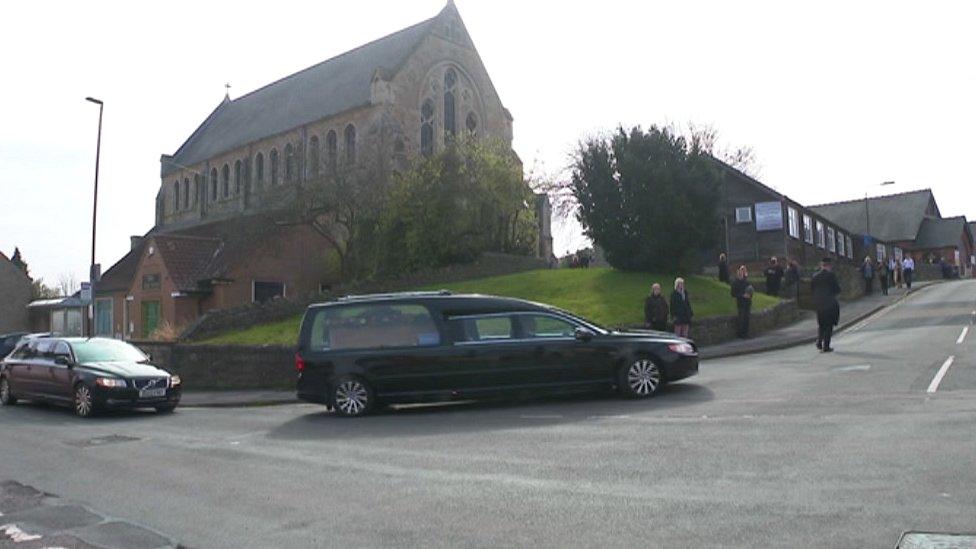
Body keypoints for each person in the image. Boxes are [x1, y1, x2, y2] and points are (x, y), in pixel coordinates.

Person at [811, 257, 841, 353]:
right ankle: (826, 346)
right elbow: (836, 289)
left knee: (821, 324)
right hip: (830, 303)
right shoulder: (831, 276)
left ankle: (819, 341)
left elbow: (812, 289)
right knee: (829, 325)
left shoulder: (815, 276)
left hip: (819, 304)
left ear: (821, 265)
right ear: (829, 266)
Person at [730, 265, 754, 339]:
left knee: (747, 318)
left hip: (747, 302)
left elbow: (750, 290)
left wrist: (749, 295)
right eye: (741, 270)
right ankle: (741, 334)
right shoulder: (735, 282)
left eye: (744, 270)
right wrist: (742, 295)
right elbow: (733, 293)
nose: (742, 272)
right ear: (738, 272)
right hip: (741, 302)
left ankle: (746, 333)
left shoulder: (746, 281)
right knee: (742, 318)